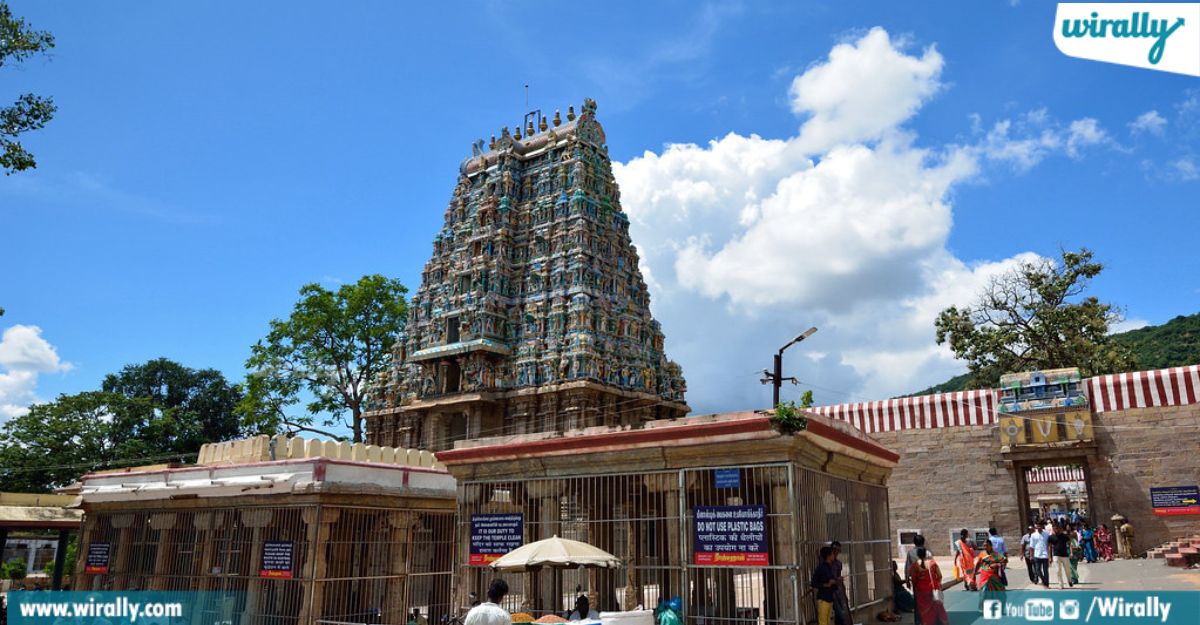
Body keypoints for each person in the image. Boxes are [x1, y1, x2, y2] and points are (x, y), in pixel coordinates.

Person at [908, 547, 948, 625]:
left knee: (925, 609)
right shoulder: (933, 563)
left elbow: (914, 579)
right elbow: (939, 576)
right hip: (933, 588)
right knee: (937, 606)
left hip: (921, 591)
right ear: (926, 554)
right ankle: (943, 622)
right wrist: (938, 584)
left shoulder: (914, 566)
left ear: (918, 555)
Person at [904, 535, 931, 625]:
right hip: (927, 581)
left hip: (917, 582)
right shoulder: (927, 553)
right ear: (923, 542)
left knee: (917, 603)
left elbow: (907, 567)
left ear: (914, 542)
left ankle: (918, 621)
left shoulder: (910, 553)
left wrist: (907, 580)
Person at [811, 546, 838, 625]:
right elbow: (813, 583)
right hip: (823, 599)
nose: (834, 555)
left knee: (828, 622)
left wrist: (836, 581)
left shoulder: (829, 567)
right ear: (828, 556)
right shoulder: (821, 568)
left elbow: (831, 581)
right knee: (823, 622)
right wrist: (826, 585)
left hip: (829, 598)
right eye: (832, 554)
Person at [829, 541, 851, 625]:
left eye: (838, 551)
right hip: (830, 592)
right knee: (840, 614)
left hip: (837, 591)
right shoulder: (826, 563)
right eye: (834, 550)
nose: (836, 552)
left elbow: (838, 576)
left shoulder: (838, 564)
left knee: (840, 615)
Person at [1048, 525, 1073, 589]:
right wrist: (1050, 557)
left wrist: (1071, 552)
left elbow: (1070, 544)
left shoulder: (1064, 536)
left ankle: (1069, 580)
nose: (1055, 530)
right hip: (1056, 555)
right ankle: (1061, 585)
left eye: (1056, 528)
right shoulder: (1051, 537)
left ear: (1059, 529)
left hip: (1065, 555)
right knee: (1058, 570)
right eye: (1054, 529)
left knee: (1067, 570)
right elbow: (1050, 547)